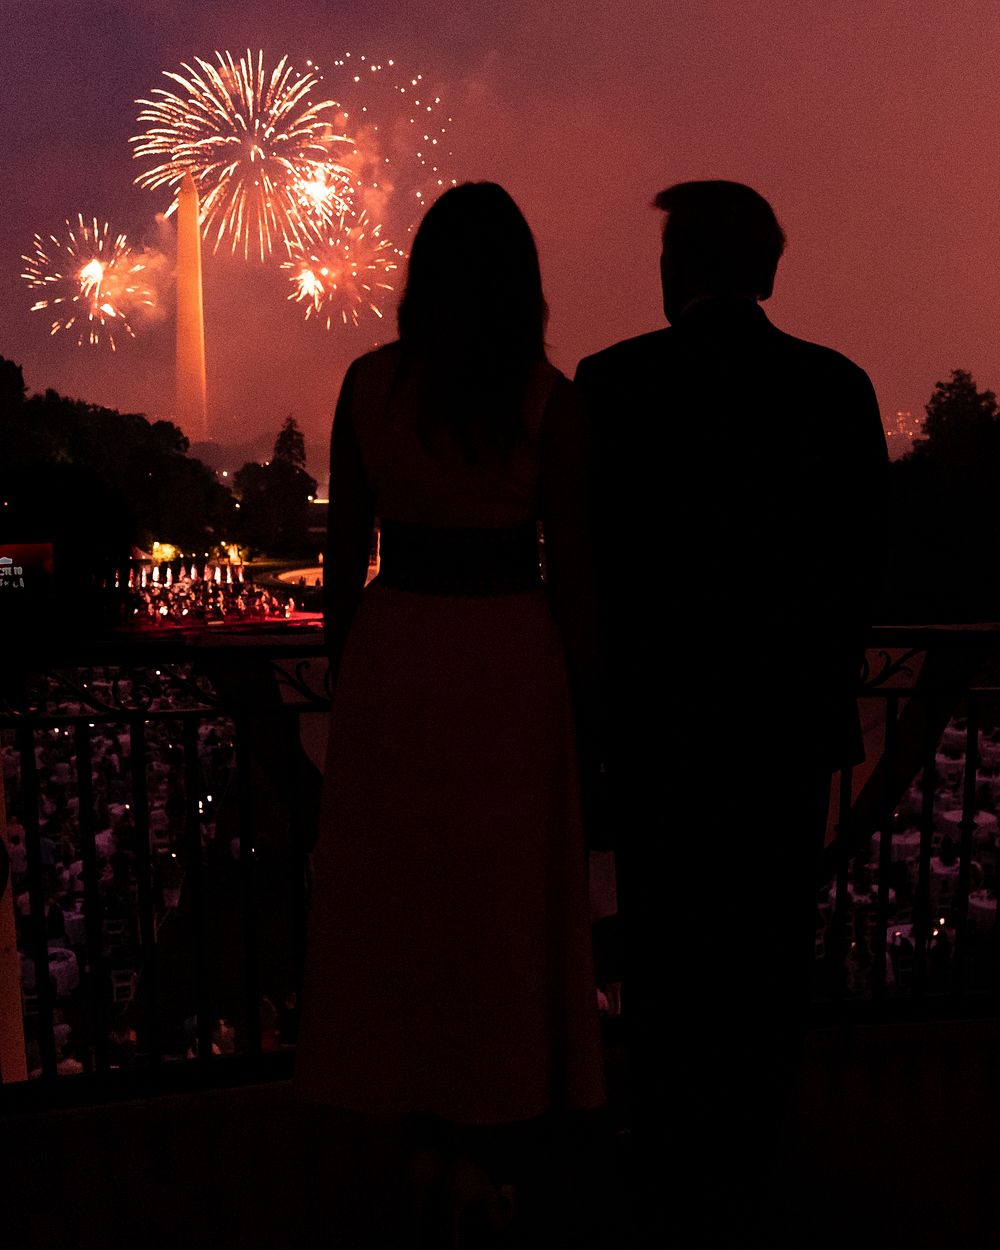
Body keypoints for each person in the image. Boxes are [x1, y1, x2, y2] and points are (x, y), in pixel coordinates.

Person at [574, 179, 889, 1247]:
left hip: (661, 727)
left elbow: (592, 571)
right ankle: (752, 1151)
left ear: (679, 272)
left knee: (667, 955)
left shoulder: (612, 385)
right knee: (763, 952)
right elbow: (859, 566)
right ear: (765, 271)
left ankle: (666, 1150)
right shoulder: (836, 389)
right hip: (784, 727)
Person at [294, 181, 605, 1248]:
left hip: (399, 654)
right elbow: (572, 572)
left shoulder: (369, 384)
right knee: (500, 903)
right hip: (510, 658)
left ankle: (417, 1118)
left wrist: (356, 670)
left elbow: (341, 563)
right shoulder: (547, 401)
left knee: (405, 898)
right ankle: (496, 1126)